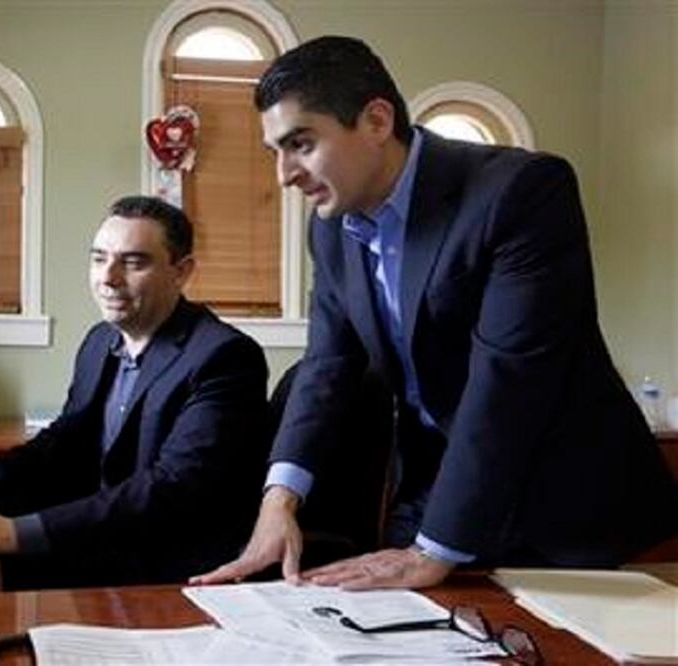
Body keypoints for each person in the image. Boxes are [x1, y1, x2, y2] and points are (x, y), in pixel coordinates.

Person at [193, 36, 677, 590]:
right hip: (432, 494)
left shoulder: (521, 191)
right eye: (274, 151)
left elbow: (508, 381)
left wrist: (434, 549)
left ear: (376, 120)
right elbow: (326, 368)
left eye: (300, 143)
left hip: (559, 504)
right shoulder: (329, 229)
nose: (283, 174)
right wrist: (279, 501)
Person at [0, 195, 270, 588]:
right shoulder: (101, 340)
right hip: (109, 530)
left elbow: (172, 489)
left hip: (168, 564)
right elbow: (67, 439)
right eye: (99, 258)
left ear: (181, 272)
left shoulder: (225, 357)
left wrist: (11, 532)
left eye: (133, 262)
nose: (108, 278)